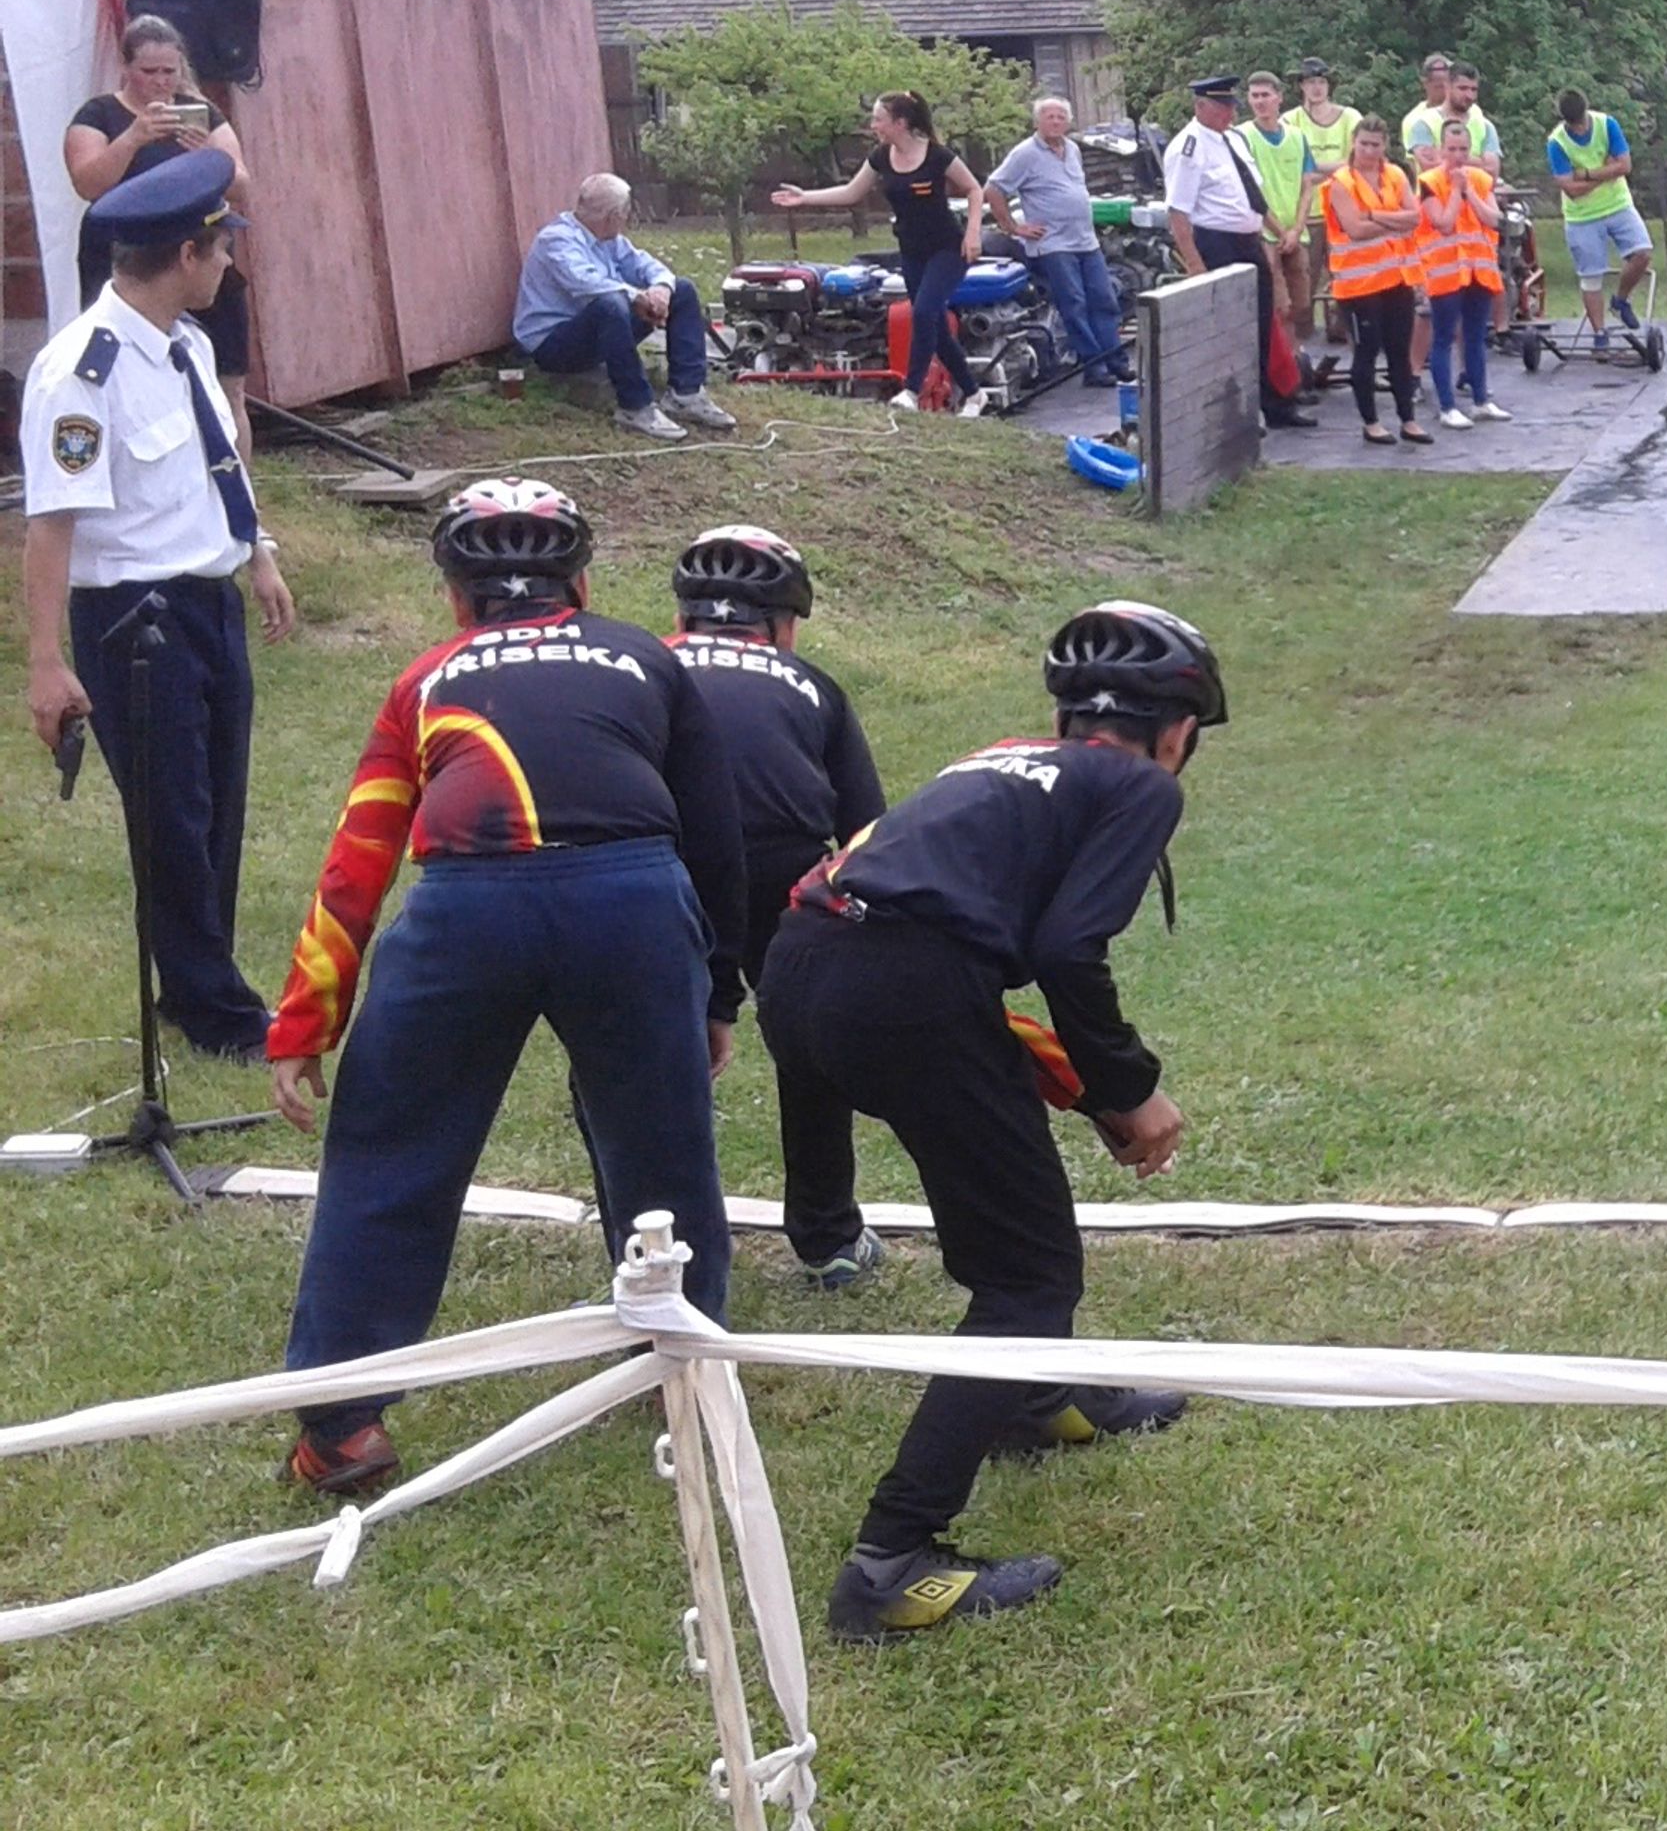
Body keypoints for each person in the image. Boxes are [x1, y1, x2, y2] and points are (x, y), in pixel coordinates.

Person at [266, 478, 748, 1496]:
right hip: (630, 902)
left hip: (466, 909)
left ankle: (343, 1426)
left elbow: (359, 858)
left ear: (454, 595)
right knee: (661, 1147)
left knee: (390, 1153)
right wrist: (716, 995)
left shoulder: (424, 679)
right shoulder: (648, 658)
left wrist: (306, 1021)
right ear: (582, 586)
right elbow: (716, 837)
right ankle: (683, 1369)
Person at [766, 602, 1209, 1640]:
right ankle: (889, 1566)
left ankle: (1029, 1396)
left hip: (801, 965)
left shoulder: (995, 762)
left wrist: (1091, 1090)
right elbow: (1065, 951)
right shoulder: (1141, 785)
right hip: (903, 988)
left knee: (1009, 1220)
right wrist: (1130, 1088)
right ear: (1180, 732)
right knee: (1029, 1278)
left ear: (1064, 718)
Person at [18, 146, 295, 1060]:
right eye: (221, 247)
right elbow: (52, 525)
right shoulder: (81, 375)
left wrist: (256, 554)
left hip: (206, 600)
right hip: (134, 622)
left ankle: (194, 980)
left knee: (216, 807)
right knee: (171, 817)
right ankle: (216, 1010)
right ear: (185, 254)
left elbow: (215, 467)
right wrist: (47, 663)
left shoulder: (185, 344)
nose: (229, 262)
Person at [664, 525, 888, 1289]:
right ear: (784, 627)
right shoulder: (812, 684)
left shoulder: (641, 667)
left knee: (649, 1048)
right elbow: (866, 827)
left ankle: (656, 1236)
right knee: (805, 1042)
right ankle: (829, 1237)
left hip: (666, 860)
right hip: (784, 862)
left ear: (683, 618)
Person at [65, 15, 255, 442]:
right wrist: (133, 138)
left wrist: (208, 156)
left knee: (228, 383)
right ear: (126, 67)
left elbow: (242, 185)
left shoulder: (201, 113)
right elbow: (87, 184)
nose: (161, 81)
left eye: (169, 71)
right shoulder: (99, 114)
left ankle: (235, 478)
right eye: (149, 71)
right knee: (118, 372)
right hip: (125, 257)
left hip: (201, 254)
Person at [771, 92, 984, 416]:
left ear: (900, 123)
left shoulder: (937, 156)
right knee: (936, 329)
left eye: (878, 119)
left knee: (924, 312)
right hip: (911, 250)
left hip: (947, 249)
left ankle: (911, 391)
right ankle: (974, 394)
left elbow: (974, 188)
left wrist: (973, 233)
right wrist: (805, 198)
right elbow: (850, 192)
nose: (873, 126)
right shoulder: (881, 157)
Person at [516, 174, 735, 440]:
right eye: (626, 213)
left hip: (599, 331)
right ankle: (635, 406)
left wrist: (661, 290)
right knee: (610, 304)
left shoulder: (609, 239)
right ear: (614, 216)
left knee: (682, 289)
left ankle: (685, 394)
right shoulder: (556, 240)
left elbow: (644, 264)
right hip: (554, 345)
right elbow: (586, 283)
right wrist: (639, 297)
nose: (627, 219)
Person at [1158, 74, 1312, 429]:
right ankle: (1236, 411)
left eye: (1231, 106)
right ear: (1201, 106)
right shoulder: (1188, 147)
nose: (1229, 113)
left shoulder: (1234, 139)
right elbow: (1178, 212)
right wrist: (1196, 266)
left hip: (1249, 240)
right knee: (1229, 330)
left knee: (1264, 322)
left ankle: (1277, 404)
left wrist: (1279, 232)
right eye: (1221, 107)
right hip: (1216, 242)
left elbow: (1252, 196)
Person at [982, 98, 1124, 387]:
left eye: (1061, 117)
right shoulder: (1025, 153)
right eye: (1050, 117)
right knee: (1074, 303)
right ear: (1037, 121)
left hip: (1086, 240)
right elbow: (993, 189)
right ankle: (1094, 368)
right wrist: (1013, 227)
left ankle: (1116, 362)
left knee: (1104, 299)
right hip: (1053, 243)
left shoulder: (1072, 149)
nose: (1056, 121)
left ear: (1069, 122)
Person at [1318, 117, 1427, 445]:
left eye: (1375, 145)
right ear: (1354, 142)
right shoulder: (1341, 183)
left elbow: (1415, 217)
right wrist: (1394, 221)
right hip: (1358, 285)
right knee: (1366, 353)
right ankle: (1371, 423)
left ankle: (1408, 419)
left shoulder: (1395, 175)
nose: (1368, 150)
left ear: (1385, 146)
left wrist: (1374, 215)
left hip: (1396, 278)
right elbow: (1355, 230)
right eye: (1363, 143)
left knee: (1399, 352)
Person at [1415, 116, 1511, 430]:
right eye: (1452, 149)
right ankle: (1447, 407)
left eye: (1463, 149)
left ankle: (1481, 400)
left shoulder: (1480, 179)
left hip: (1478, 270)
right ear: (1441, 150)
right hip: (1445, 272)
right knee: (1443, 337)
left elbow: (1494, 219)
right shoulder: (1429, 181)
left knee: (1475, 336)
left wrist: (1469, 191)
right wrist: (1456, 191)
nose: (1458, 155)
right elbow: (1443, 223)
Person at [1544, 89, 1654, 334]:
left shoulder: (1607, 124)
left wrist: (1585, 174)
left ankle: (1621, 300)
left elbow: (1625, 165)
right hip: (1582, 216)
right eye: (1574, 125)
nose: (1580, 129)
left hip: (1618, 204)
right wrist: (1605, 173)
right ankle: (1599, 332)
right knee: (1591, 277)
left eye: (1582, 122)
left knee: (1642, 253)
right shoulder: (1556, 142)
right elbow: (1571, 190)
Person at [1268, 60, 1360, 350]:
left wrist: (1315, 167)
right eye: (1310, 82)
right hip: (1308, 214)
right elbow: (1293, 167)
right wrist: (1334, 168)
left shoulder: (1350, 117)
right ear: (1301, 86)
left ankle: (1343, 331)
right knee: (1303, 281)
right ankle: (1301, 343)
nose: (1317, 88)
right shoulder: (1290, 121)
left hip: (1343, 212)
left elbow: (1357, 162)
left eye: (1321, 82)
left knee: (1346, 276)